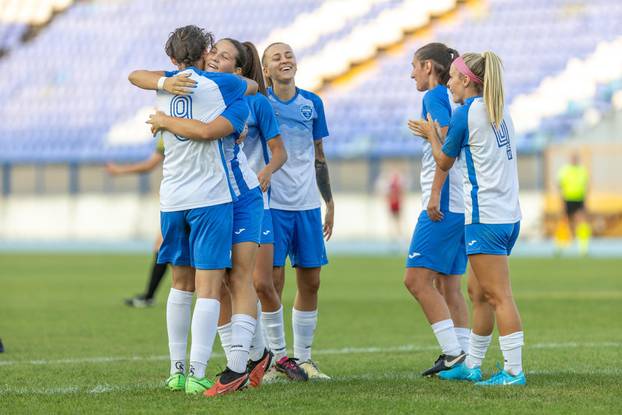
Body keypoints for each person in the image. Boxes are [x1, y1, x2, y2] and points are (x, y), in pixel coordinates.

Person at [127, 24, 258, 395]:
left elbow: (134, 75)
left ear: (171, 58)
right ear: (206, 54)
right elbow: (250, 85)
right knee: (209, 288)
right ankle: (198, 372)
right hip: (210, 199)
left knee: (180, 286)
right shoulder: (223, 84)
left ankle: (177, 369)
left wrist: (166, 85)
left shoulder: (164, 82)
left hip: (172, 199)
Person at [411, 51, 526, 386]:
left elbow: (443, 161)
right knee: (478, 292)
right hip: (508, 216)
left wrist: (431, 133)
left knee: (498, 294)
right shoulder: (500, 110)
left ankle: (514, 371)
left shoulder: (465, 113)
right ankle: (472, 364)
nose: (449, 83)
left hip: (485, 217)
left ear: (466, 80)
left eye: (454, 78)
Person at [261, 42, 334, 380]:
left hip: (306, 206)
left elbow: (319, 157)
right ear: (265, 70)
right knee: (271, 283)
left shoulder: (312, 103)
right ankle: (276, 359)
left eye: (288, 54)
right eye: (276, 57)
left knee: (312, 281)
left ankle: (304, 358)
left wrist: (329, 202)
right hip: (273, 205)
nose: (284, 59)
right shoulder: (262, 104)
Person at [403, 43, 470, 377]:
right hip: (461, 204)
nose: (412, 72)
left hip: (443, 201)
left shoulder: (433, 97)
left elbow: (445, 149)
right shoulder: (450, 98)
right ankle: (465, 358)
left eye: (414, 65)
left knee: (415, 280)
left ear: (428, 66)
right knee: (449, 286)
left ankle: (453, 353)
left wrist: (433, 194)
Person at [106, 139, 167, 308]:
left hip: (184, 198)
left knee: (165, 246)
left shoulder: (169, 128)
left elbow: (150, 164)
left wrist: (119, 170)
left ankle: (209, 296)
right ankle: (149, 295)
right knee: (162, 245)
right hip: (198, 196)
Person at [557, 152, 591, 255]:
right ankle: (561, 246)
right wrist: (561, 202)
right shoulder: (564, 170)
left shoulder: (582, 170)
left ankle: (583, 248)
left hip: (579, 200)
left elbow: (586, 186)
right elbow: (560, 186)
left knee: (582, 222)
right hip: (567, 199)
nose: (574, 160)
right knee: (565, 222)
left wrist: (586, 201)